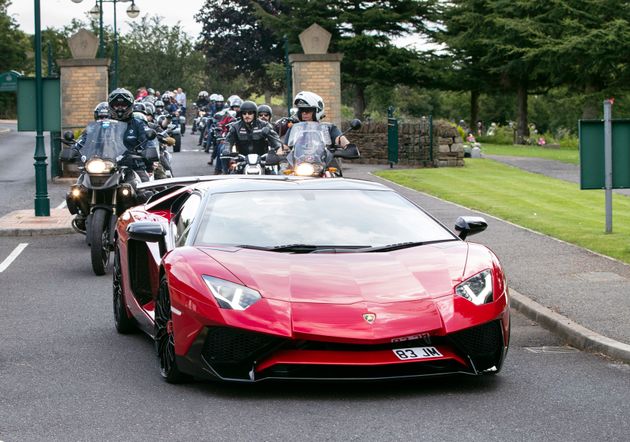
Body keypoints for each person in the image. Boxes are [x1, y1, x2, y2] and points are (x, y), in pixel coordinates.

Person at [284, 91, 350, 149]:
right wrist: (279, 152)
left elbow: (340, 139)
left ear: (317, 111)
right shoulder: (294, 128)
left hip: (323, 161)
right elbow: (285, 147)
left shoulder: (328, 128)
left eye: (307, 110)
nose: (304, 113)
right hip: (298, 162)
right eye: (301, 110)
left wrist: (348, 146)